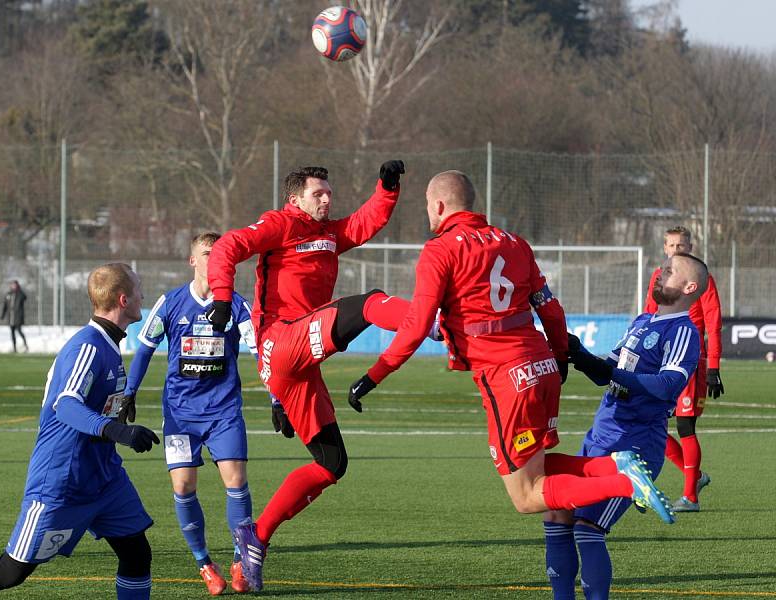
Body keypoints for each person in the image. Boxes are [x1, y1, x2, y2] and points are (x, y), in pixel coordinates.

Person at [348, 170, 675, 528]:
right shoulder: (515, 243)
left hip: (506, 376)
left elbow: (415, 326)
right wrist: (560, 355)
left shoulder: (439, 251)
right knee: (538, 470)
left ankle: (624, 483)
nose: (428, 213)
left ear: (439, 205)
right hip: (541, 365)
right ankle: (616, 465)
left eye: (428, 206)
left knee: (525, 496)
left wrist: (373, 375)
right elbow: (550, 308)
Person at [205, 161, 437, 592]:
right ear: (294, 199)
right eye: (318, 194)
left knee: (332, 464)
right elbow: (227, 247)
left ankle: (254, 539)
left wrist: (387, 189)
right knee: (369, 304)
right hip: (281, 341)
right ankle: (433, 323)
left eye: (329, 193)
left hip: (298, 364)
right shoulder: (281, 224)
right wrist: (221, 295)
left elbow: (366, 223)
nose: (327, 199)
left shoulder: (328, 233)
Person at [0, 263, 160, 599]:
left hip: (105, 479)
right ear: (123, 300)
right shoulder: (87, 346)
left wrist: (119, 409)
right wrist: (116, 432)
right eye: (138, 288)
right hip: (62, 482)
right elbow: (66, 404)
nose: (143, 295)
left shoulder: (109, 343)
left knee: (137, 554)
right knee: (11, 571)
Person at [544, 252, 707, 600]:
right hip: (599, 437)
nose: (661, 273)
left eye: (670, 270)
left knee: (589, 527)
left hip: (634, 444)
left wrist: (609, 371)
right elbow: (608, 372)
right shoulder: (643, 321)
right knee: (557, 513)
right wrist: (579, 353)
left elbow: (667, 386)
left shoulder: (683, 331)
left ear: (689, 286)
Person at [123, 232, 262, 596]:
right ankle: (204, 562)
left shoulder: (237, 306)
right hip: (181, 416)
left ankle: (238, 558)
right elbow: (144, 349)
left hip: (223, 411)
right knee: (183, 487)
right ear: (193, 261)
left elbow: (261, 351)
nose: (214, 259)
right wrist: (129, 392)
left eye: (220, 255)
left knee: (235, 481)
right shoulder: (170, 302)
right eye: (207, 253)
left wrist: (279, 399)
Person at [644, 226, 723, 512]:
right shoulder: (658, 277)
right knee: (651, 422)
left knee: (685, 424)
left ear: (690, 247)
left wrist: (713, 366)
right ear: (665, 248)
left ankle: (690, 496)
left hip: (688, 359)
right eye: (672, 246)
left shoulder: (701, 280)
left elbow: (713, 323)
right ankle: (696, 476)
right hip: (660, 359)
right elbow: (648, 315)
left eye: (682, 246)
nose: (677, 250)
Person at [0, 280, 28, 353]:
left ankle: (25, 344)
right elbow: (5, 305)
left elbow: (25, 297)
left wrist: (19, 290)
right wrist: (2, 315)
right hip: (11, 317)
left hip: (18, 317)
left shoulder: (20, 294)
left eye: (15, 285)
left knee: (19, 330)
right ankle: (14, 348)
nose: (13, 286)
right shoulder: (8, 294)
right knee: (12, 332)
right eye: (12, 285)